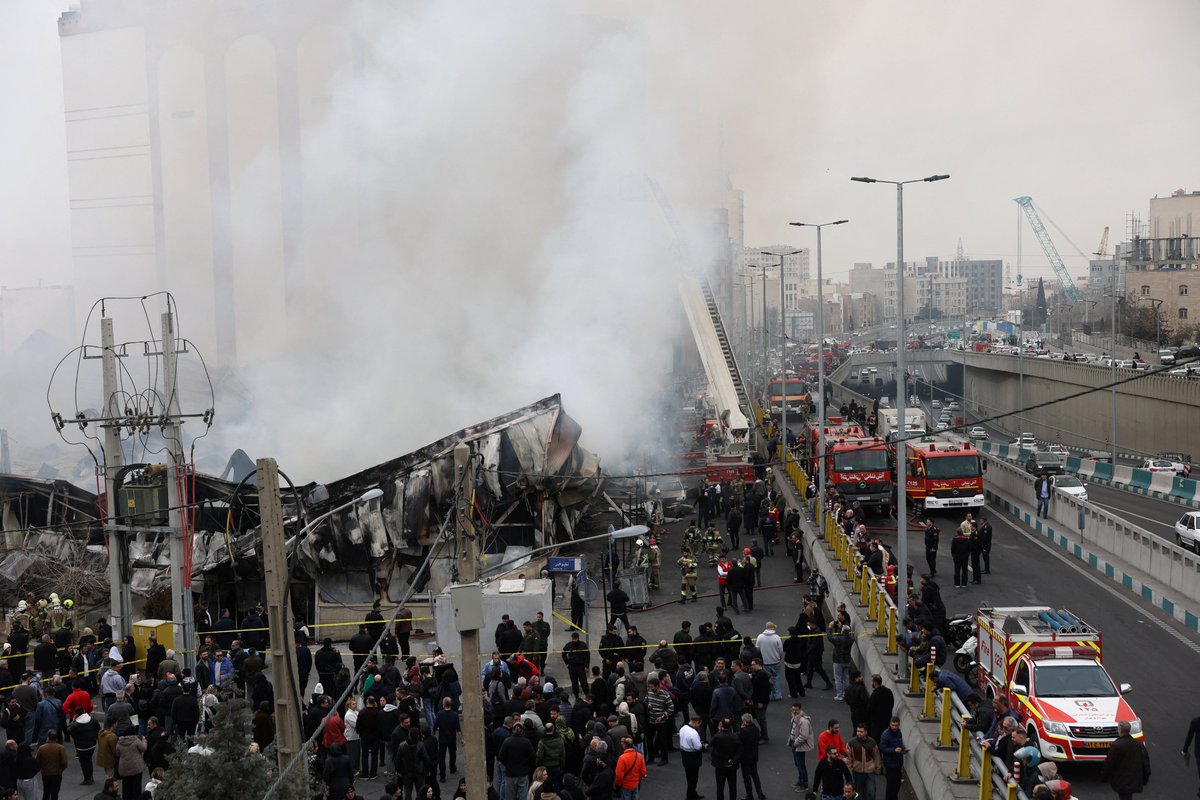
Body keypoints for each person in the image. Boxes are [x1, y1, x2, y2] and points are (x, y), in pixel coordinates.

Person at [1100, 720, 1150, 800]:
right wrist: (1145, 777)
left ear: (1119, 730)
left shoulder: (1117, 745)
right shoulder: (1138, 744)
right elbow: (1145, 761)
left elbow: (1109, 763)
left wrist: (1104, 777)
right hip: (1134, 778)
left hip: (1121, 780)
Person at [709, 718, 741, 800]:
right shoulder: (735, 736)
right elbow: (739, 751)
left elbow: (710, 744)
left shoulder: (717, 737)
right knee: (732, 786)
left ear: (721, 726)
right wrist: (733, 760)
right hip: (732, 765)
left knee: (720, 786)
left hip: (720, 765)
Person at [845, 723, 879, 800]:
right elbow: (849, 758)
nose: (859, 733)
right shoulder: (851, 743)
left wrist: (877, 768)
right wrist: (849, 770)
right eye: (858, 731)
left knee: (871, 792)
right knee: (858, 793)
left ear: (866, 732)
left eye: (861, 731)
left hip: (869, 771)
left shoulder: (872, 742)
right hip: (857, 771)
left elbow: (877, 756)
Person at [787, 702, 814, 791]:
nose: (794, 711)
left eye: (796, 710)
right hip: (795, 744)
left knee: (801, 765)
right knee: (798, 764)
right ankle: (800, 781)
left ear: (800, 709)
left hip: (798, 745)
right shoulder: (795, 717)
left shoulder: (803, 721)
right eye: (793, 709)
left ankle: (804, 784)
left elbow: (804, 736)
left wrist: (795, 743)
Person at [737, 713, 765, 800]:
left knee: (747, 778)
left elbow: (738, 738)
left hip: (745, 758)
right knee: (755, 775)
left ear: (745, 721)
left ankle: (749, 795)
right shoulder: (756, 729)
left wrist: (741, 729)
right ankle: (760, 794)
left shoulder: (744, 732)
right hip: (754, 756)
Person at [877, 718, 905, 800]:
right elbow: (882, 748)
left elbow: (899, 744)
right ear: (890, 724)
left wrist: (902, 749)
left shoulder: (899, 733)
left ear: (899, 725)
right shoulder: (886, 734)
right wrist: (894, 750)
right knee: (891, 786)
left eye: (896, 725)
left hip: (898, 763)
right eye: (893, 725)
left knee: (897, 784)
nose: (894, 727)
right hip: (890, 764)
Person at [678, 716, 705, 800]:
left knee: (689, 778)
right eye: (699, 724)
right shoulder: (693, 733)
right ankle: (690, 796)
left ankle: (693, 794)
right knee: (693, 780)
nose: (699, 726)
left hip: (684, 756)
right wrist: (704, 746)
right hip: (693, 759)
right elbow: (698, 747)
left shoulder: (683, 728)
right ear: (696, 722)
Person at [612, 735, 645, 800]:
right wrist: (637, 779)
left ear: (625, 745)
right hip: (635, 784)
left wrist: (618, 784)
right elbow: (643, 771)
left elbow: (619, 775)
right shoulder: (639, 756)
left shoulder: (622, 758)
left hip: (626, 785)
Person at [866, 676, 894, 745]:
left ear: (875, 682)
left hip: (877, 722)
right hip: (887, 719)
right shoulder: (888, 691)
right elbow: (892, 703)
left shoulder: (875, 694)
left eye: (872, 681)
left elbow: (869, 708)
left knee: (876, 740)